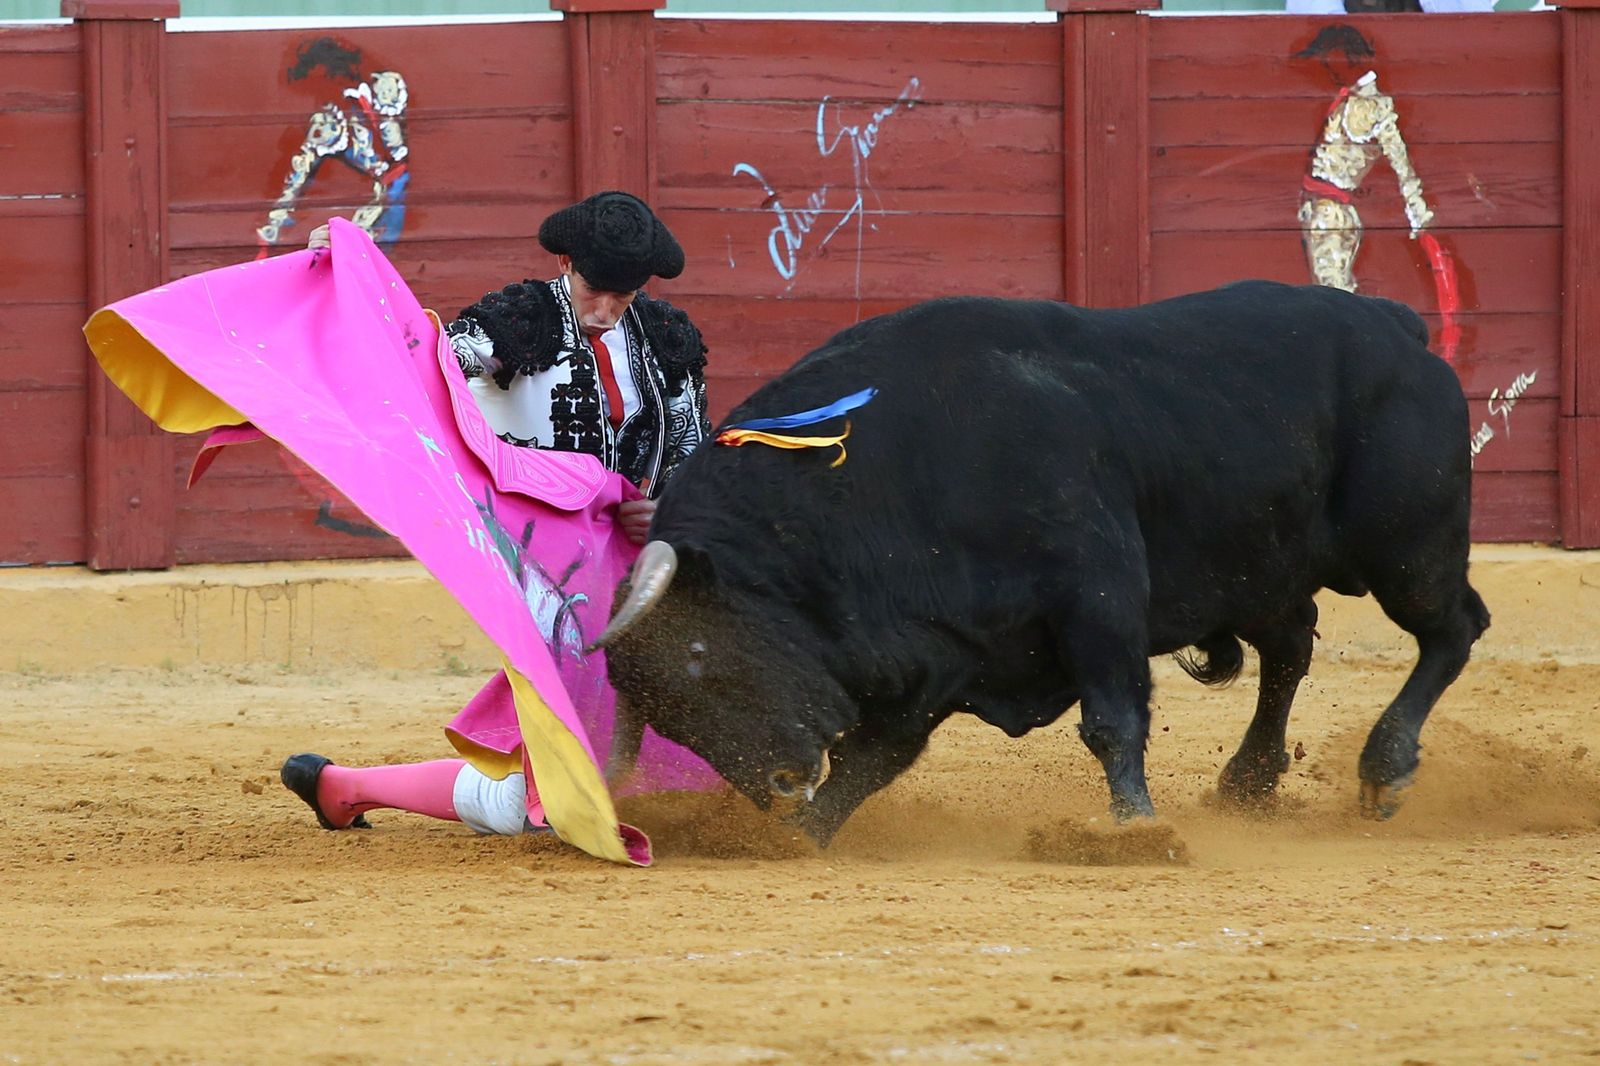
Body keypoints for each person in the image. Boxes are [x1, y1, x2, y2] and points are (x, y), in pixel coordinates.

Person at [280, 190, 714, 838]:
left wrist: (666, 512)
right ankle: (355, 788)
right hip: (538, 563)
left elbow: (690, 446)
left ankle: (343, 789)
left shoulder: (667, 339)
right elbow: (413, 367)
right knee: (552, 792)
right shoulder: (518, 322)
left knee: (621, 759)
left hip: (631, 565)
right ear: (566, 264)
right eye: (594, 290)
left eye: (622, 296)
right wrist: (343, 285)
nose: (605, 311)